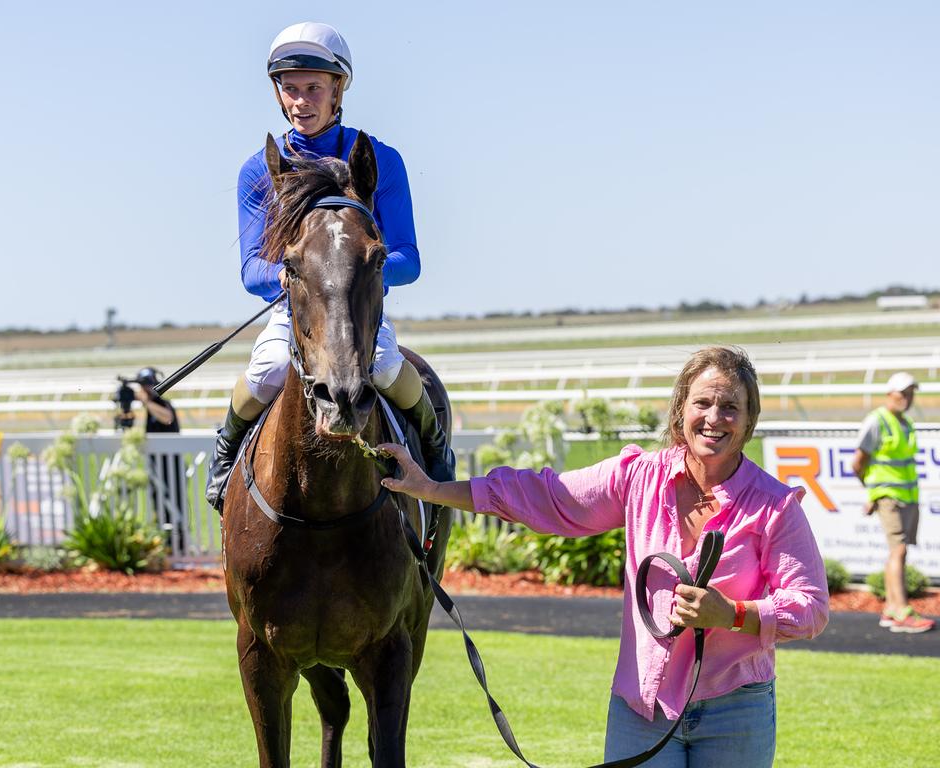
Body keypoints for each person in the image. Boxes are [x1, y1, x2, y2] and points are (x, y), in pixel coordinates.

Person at [380, 346, 829, 767]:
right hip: (641, 707)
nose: (715, 417)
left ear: (749, 421)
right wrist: (433, 490)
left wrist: (731, 613)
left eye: (730, 407)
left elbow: (810, 609)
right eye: (703, 403)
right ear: (681, 411)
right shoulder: (638, 478)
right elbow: (544, 495)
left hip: (737, 710)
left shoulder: (774, 506)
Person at [205, 21, 453, 510]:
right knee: (268, 369)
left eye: (313, 88)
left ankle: (436, 453)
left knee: (383, 366)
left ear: (338, 89)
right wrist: (295, 277)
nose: (300, 101)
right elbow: (251, 268)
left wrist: (357, 273)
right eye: (289, 89)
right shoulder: (259, 169)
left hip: (360, 310)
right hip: (296, 309)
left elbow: (409, 258)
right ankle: (225, 453)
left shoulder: (380, 158)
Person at [852, 372, 934, 633]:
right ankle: (900, 611)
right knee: (898, 551)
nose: (907, 399)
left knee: (898, 552)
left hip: (907, 496)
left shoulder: (906, 423)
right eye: (902, 393)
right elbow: (858, 462)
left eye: (910, 393)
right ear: (890, 394)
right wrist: (874, 493)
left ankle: (891, 609)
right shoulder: (877, 421)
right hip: (889, 496)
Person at [133, 368, 186, 550]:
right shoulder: (151, 407)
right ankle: (165, 543)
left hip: (171, 467)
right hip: (156, 467)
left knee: (175, 506)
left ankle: (179, 544)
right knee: (160, 507)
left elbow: (168, 419)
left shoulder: (163, 404)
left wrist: (147, 402)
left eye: (146, 385)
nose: (144, 389)